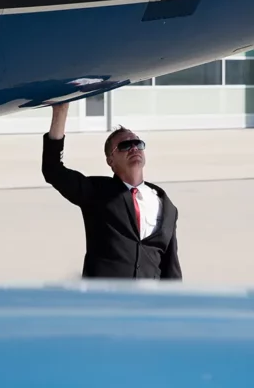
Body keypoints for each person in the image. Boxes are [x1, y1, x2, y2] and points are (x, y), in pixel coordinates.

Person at [42, 102, 182, 280]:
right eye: (124, 146)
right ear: (110, 161)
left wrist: (177, 304)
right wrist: (61, 111)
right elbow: (53, 170)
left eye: (137, 143)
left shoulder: (165, 204)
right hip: (105, 302)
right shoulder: (97, 192)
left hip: (147, 304)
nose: (133, 148)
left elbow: (171, 267)